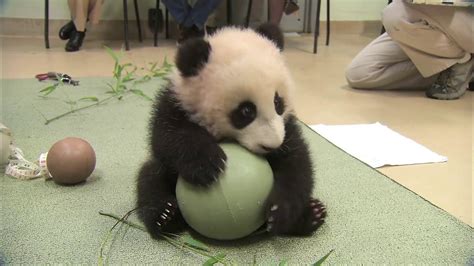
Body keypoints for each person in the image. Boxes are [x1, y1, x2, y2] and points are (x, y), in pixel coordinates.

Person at [345, 0, 473, 100]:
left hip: (466, 14)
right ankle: (458, 66)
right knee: (360, 73)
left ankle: (462, 60)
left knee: (395, 13)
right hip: (422, 15)